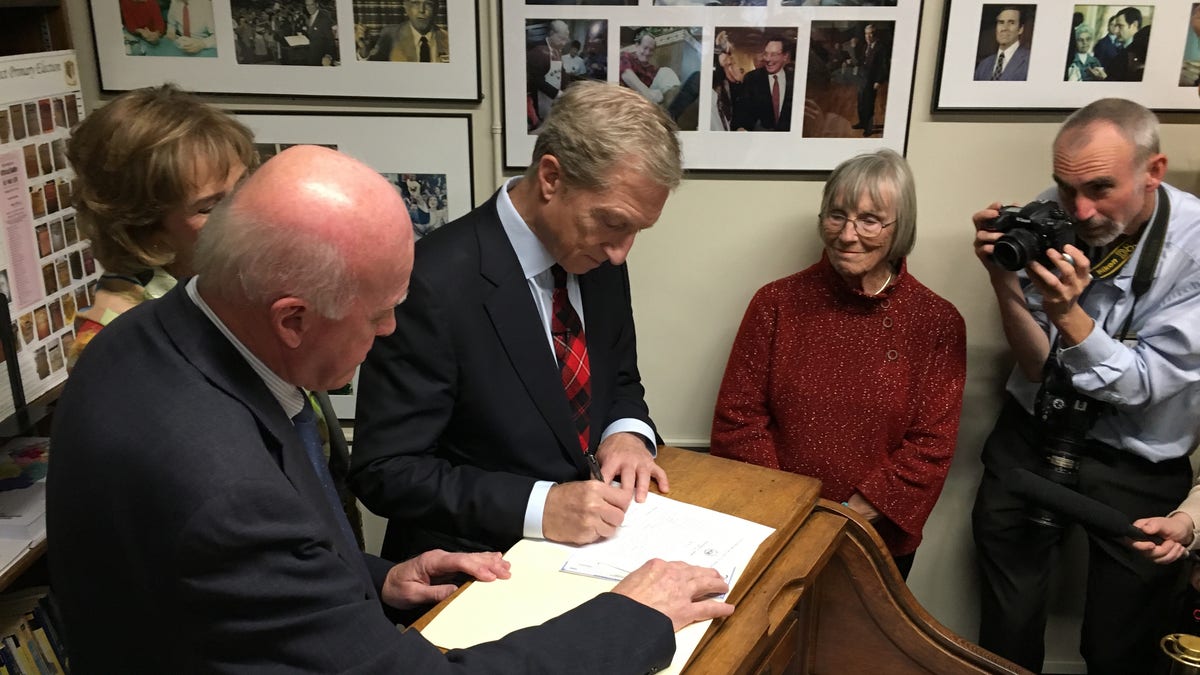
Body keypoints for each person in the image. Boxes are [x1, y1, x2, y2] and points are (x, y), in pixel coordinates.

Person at [47, 145, 734, 672]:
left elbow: (243, 582)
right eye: (379, 314)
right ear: (292, 318)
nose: (389, 331)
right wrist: (633, 617)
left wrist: (378, 577)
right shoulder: (225, 495)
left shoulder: (142, 333)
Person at [350, 82, 677, 562]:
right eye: (613, 222)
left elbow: (619, 377)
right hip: (474, 566)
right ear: (551, 178)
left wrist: (627, 432)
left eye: (637, 231)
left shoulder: (598, 258)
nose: (621, 251)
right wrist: (538, 506)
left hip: (593, 550)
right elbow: (385, 470)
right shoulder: (430, 281)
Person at [970, 98, 1200, 675]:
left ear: (1154, 171)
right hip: (1035, 433)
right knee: (1007, 631)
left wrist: (1070, 314)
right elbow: (1032, 366)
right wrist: (1003, 280)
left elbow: (1143, 384)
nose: (1080, 209)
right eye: (1065, 187)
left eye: (1100, 188)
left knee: (1121, 645)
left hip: (1136, 457)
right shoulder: (1054, 211)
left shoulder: (1195, 249)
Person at [710, 149, 965, 579]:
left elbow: (930, 445)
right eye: (836, 215)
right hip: (772, 528)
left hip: (873, 538)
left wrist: (847, 518)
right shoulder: (775, 303)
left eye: (870, 219)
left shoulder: (936, 321)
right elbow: (739, 419)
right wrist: (788, 512)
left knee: (853, 647)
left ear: (900, 228)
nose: (848, 235)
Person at [65, 84, 255, 365]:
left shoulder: (225, 280)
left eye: (243, 186)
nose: (245, 211)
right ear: (144, 230)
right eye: (209, 207)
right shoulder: (113, 341)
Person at [732, 35, 793, 131]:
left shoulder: (793, 79)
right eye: (766, 54)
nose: (768, 59)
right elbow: (742, 111)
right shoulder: (752, 78)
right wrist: (741, 128)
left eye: (773, 54)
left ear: (785, 56)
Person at [365, 0, 448, 62]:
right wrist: (363, 51)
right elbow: (373, 69)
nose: (421, 10)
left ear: (436, 9)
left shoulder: (447, 38)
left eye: (428, 4)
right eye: (415, 3)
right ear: (406, 6)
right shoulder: (390, 35)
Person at [526, 19, 572, 129]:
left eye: (565, 40)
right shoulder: (538, 50)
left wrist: (569, 89)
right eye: (561, 39)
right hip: (541, 101)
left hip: (555, 99)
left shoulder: (556, 50)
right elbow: (537, 80)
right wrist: (558, 94)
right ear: (551, 34)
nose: (563, 43)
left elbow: (561, 73)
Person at [973, 6, 1030, 81]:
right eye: (1001, 22)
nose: (1004, 28)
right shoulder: (983, 65)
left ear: (1020, 29)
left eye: (1011, 23)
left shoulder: (1029, 61)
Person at [853, 24, 888, 137]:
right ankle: (862, 123)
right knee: (861, 103)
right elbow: (860, 61)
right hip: (862, 80)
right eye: (866, 34)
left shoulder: (880, 48)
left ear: (875, 34)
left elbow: (883, 66)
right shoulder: (865, 46)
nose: (868, 36)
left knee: (869, 104)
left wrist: (878, 81)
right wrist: (854, 48)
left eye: (870, 33)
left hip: (872, 80)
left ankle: (869, 128)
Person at [1106, 7, 1149, 82]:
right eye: (1116, 26)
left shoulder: (1139, 52)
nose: (1116, 31)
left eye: (1120, 26)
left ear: (1134, 25)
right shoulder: (1122, 49)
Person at [302, 0, 336, 66]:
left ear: (317, 5)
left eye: (311, 4)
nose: (309, 7)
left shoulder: (324, 18)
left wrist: (328, 56)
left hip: (320, 59)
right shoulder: (311, 16)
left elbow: (330, 39)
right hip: (310, 56)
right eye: (307, 5)